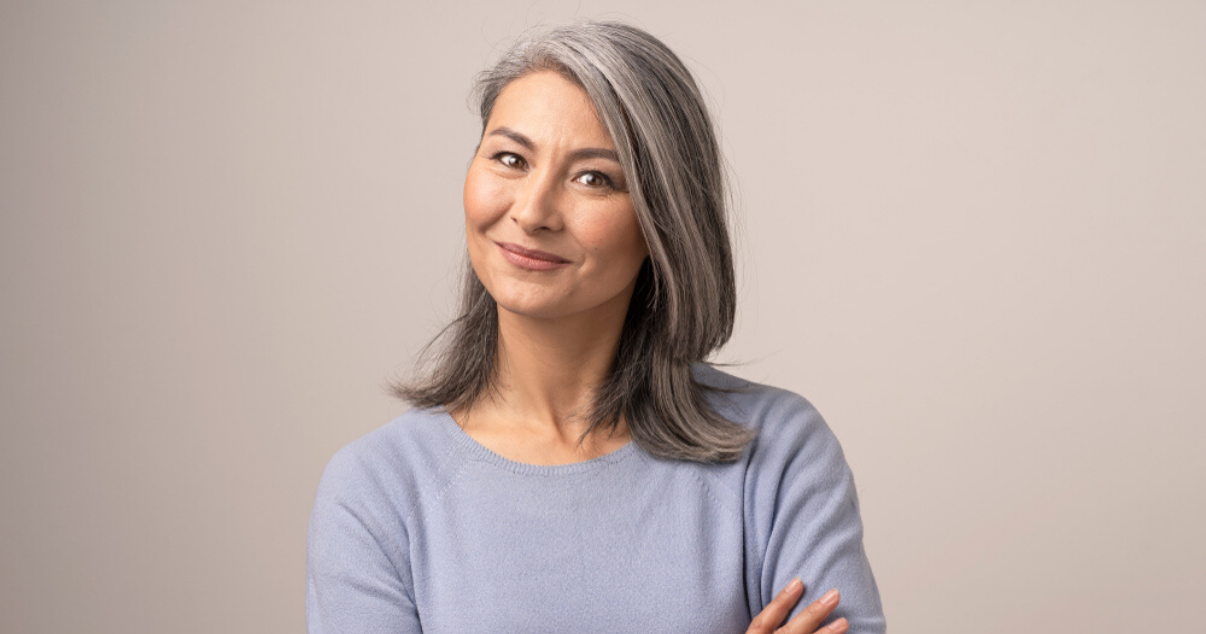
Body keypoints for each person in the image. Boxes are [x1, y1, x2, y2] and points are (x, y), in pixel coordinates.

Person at [306, 21, 885, 634]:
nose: (530, 212)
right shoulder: (375, 492)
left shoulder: (777, 453)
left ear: (664, 219)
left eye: (594, 177)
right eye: (510, 158)